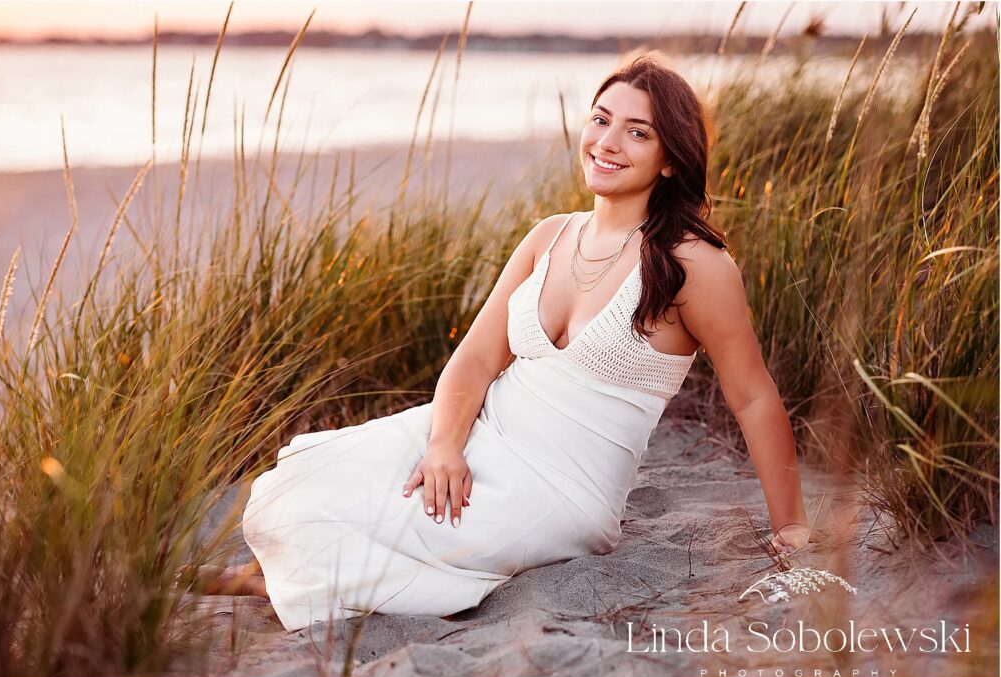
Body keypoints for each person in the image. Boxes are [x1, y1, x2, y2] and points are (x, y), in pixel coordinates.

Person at [182, 53, 810, 632]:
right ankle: (272, 579)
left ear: (670, 159)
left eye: (637, 132)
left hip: (560, 490)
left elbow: (753, 397)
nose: (608, 143)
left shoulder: (692, 264)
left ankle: (269, 586)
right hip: (481, 433)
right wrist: (445, 448)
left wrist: (791, 528)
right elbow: (477, 359)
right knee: (291, 492)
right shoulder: (549, 236)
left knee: (400, 527)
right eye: (600, 120)